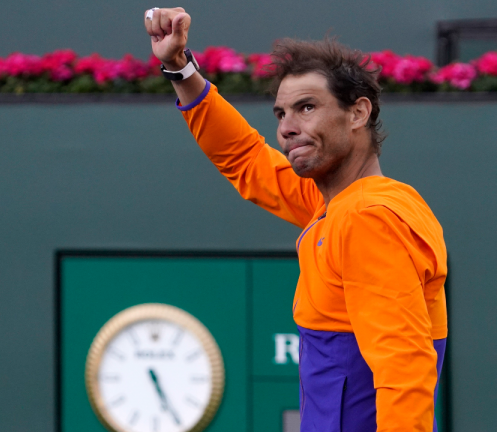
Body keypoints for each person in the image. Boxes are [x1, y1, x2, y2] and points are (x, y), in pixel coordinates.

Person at [145, 7, 448, 432]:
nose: (286, 127)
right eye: (281, 114)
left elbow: (405, 371)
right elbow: (245, 158)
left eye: (306, 107)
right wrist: (179, 68)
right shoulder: (336, 201)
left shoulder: (367, 218)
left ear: (358, 113)